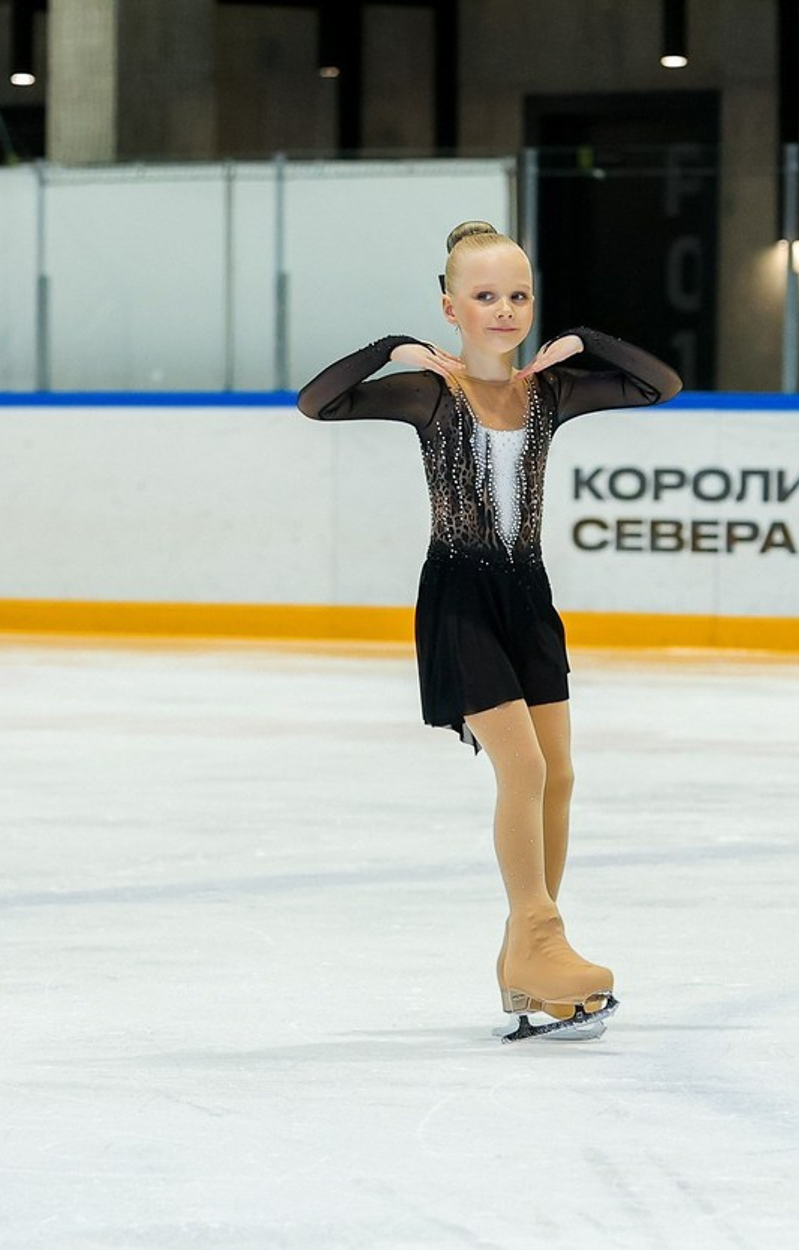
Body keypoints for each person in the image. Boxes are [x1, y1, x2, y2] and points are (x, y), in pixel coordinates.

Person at [298, 221, 682, 1042]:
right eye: (484, 297)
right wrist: (393, 348)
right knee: (524, 767)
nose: (504, 310)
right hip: (460, 600)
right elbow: (318, 401)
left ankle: (528, 956)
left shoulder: (550, 392)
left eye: (518, 295)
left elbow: (660, 385)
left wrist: (584, 340)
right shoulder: (431, 393)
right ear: (452, 308)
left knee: (562, 774)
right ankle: (542, 940)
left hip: (528, 599)